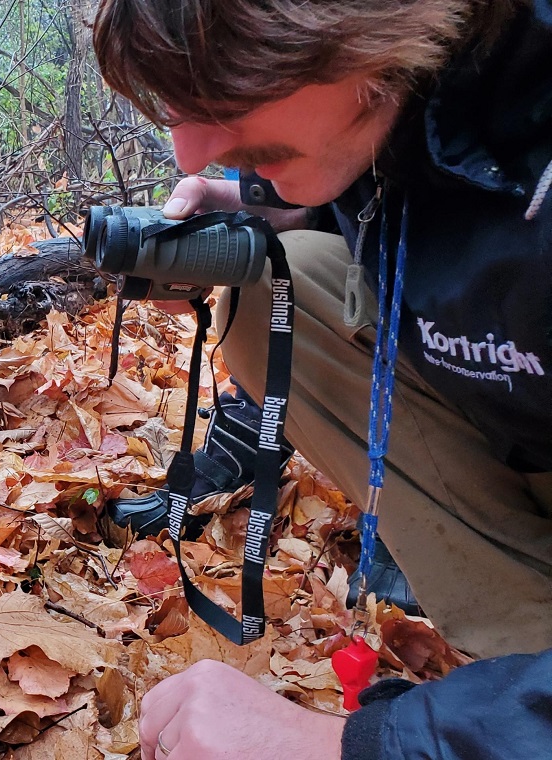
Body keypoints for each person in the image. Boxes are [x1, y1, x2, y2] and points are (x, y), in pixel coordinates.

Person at [91, 0, 552, 758]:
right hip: (522, 434)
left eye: (228, 85)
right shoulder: (413, 79)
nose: (191, 152)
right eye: (178, 103)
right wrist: (283, 202)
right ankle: (523, 654)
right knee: (282, 285)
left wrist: (349, 746)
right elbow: (455, 192)